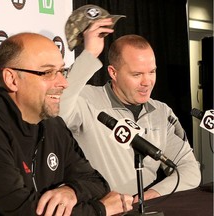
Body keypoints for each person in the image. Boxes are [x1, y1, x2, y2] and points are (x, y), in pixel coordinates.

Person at [0, 32, 134, 216]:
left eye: (62, 71)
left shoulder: (53, 125)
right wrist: (100, 210)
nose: (63, 83)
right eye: (47, 72)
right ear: (12, 79)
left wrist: (71, 191)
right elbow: (22, 211)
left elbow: (96, 182)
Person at [60, 18, 201, 202]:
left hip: (147, 207)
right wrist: (89, 54)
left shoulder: (161, 111)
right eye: (137, 74)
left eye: (152, 72)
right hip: (100, 209)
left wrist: (150, 196)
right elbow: (57, 109)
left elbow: (189, 169)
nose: (147, 82)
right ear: (113, 72)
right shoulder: (85, 99)